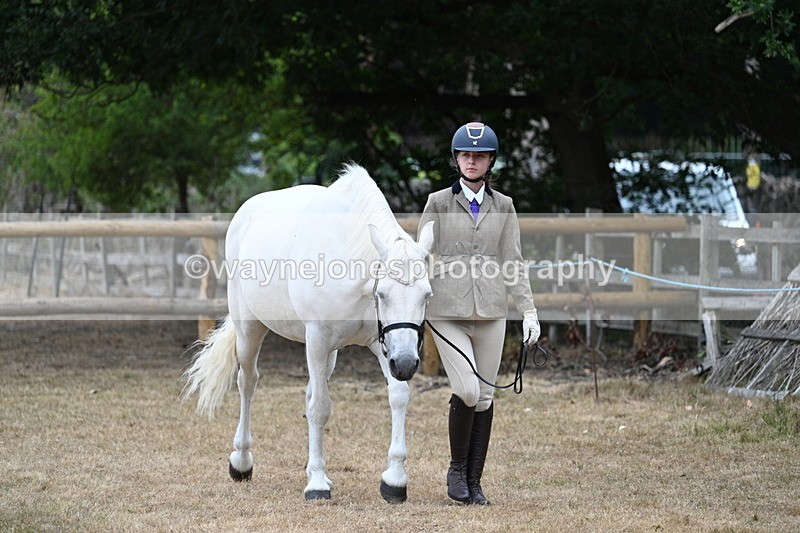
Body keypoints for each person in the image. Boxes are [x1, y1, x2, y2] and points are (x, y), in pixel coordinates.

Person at [418, 121, 540, 505]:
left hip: (490, 309)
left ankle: (474, 482)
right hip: (446, 309)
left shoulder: (503, 206)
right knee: (467, 389)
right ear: (456, 159)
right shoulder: (438, 202)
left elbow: (513, 261)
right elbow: (421, 255)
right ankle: (456, 469)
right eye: (466, 155)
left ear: (490, 161)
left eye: (480, 155)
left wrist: (529, 311)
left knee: (486, 397)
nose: (472, 161)